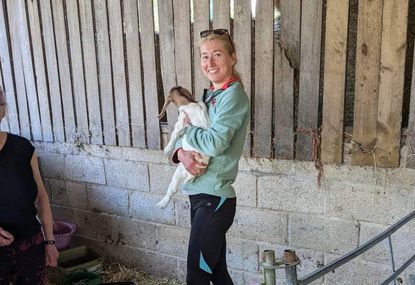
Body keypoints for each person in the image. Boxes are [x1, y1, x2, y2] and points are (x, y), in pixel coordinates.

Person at [171, 29, 249, 285]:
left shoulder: (233, 96)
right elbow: (191, 140)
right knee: (216, 273)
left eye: (217, 55)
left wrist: (186, 131)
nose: (210, 63)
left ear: (232, 57)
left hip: (214, 199)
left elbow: (215, 143)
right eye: (205, 57)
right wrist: (180, 153)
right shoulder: (211, 96)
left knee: (197, 276)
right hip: (201, 196)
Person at [0, 87, 59, 284]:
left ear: (3, 111)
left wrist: (50, 241)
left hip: (30, 247)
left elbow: (41, 197)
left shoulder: (22, 148)